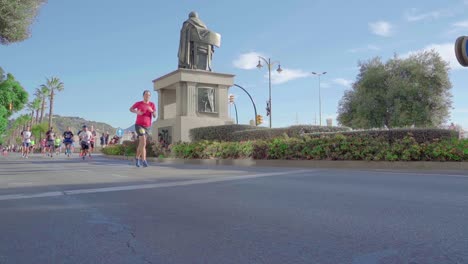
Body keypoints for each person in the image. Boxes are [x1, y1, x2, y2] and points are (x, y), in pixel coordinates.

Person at [129, 90, 156, 167]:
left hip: (147, 126)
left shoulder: (152, 104)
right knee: (143, 141)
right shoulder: (139, 103)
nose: (147, 96)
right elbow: (130, 109)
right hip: (139, 125)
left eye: (149, 95)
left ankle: (137, 158)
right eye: (146, 95)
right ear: (143, 95)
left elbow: (154, 115)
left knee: (142, 144)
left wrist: (152, 111)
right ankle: (144, 160)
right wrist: (137, 112)